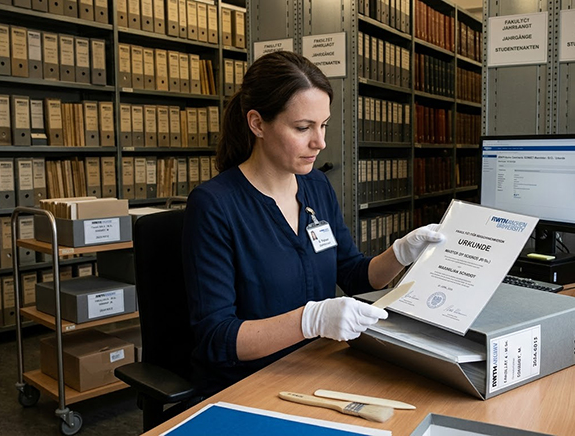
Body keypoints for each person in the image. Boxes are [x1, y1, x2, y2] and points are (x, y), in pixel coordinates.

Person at [182, 51, 444, 393]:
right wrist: (311, 319)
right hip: (249, 383)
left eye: (323, 125)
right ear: (257, 123)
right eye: (303, 128)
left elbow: (353, 274)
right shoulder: (215, 205)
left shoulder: (316, 186)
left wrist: (401, 253)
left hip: (319, 366)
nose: (320, 142)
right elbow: (217, 337)